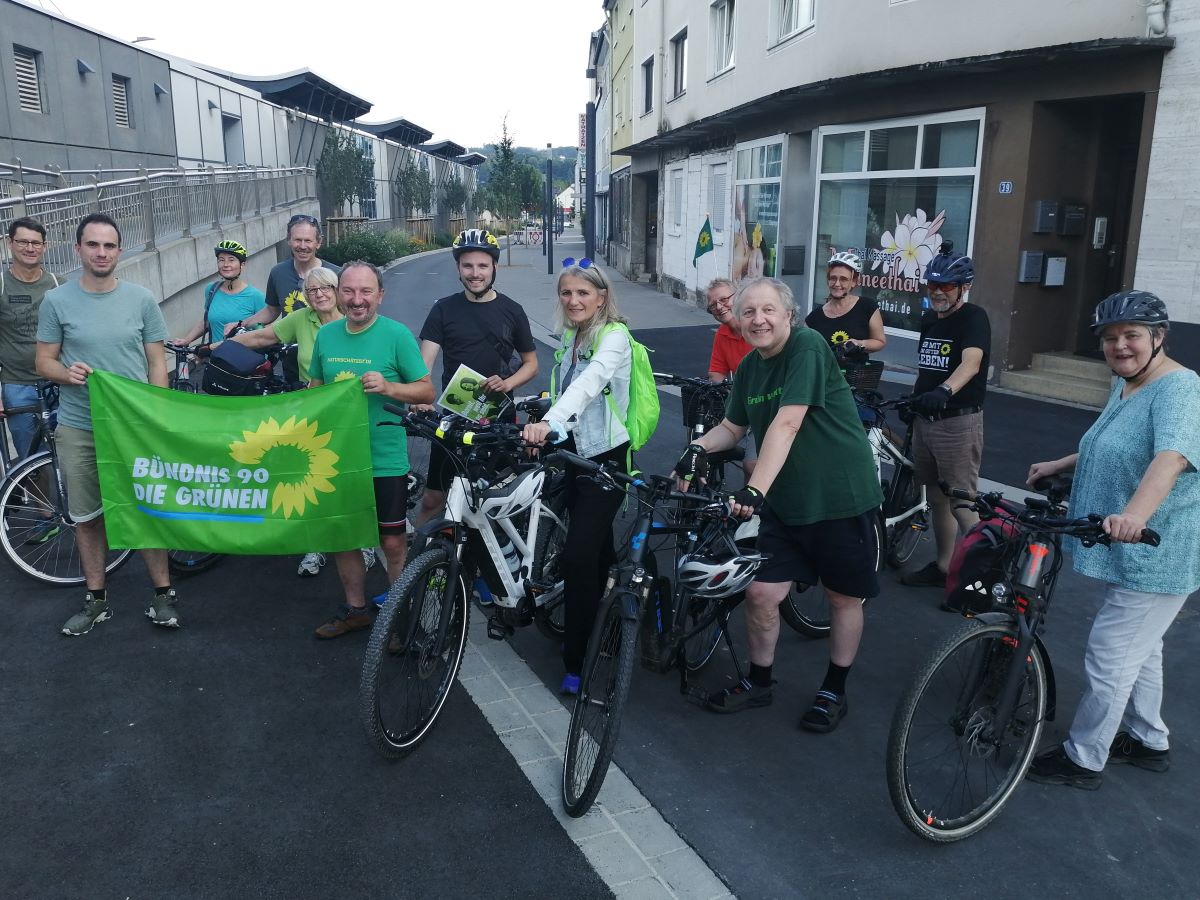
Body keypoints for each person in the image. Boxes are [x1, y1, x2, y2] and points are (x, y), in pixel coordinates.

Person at [673, 277, 882, 732]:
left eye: (768, 310)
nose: (758, 319)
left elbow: (787, 422)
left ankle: (834, 689)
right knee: (761, 593)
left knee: (843, 596)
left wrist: (754, 490)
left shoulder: (806, 347)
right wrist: (697, 450)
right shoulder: (750, 367)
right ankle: (760, 681)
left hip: (839, 495)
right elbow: (733, 426)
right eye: (748, 312)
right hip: (786, 499)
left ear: (789, 314)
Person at [1024, 291, 1200, 790]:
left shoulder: (1180, 389)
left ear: (1158, 338)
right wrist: (1062, 463)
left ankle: (1084, 757)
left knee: (1110, 653)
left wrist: (1133, 516)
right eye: (1110, 339)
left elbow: (1172, 457)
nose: (1120, 346)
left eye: (1131, 336)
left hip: (1156, 549)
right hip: (1128, 550)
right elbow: (1108, 438)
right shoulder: (1128, 384)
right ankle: (1148, 740)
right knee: (1142, 650)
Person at [35, 213, 178, 635]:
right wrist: (66, 373)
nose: (101, 252)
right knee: (86, 517)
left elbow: (157, 362)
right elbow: (43, 360)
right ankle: (96, 599)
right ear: (78, 249)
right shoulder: (57, 301)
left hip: (133, 426)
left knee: (146, 509)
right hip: (79, 426)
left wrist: (158, 415)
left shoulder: (141, 299)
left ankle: (164, 595)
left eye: (109, 245)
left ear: (120, 250)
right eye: (93, 245)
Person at [306, 261, 434, 639]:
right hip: (336, 458)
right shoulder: (327, 336)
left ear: (381, 295)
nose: (356, 300)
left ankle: (398, 617)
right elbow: (315, 389)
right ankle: (356, 610)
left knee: (392, 542)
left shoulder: (396, 335)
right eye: (349, 291)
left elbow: (426, 391)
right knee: (344, 538)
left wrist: (390, 387)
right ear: (338, 293)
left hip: (383, 458)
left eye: (365, 292)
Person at [522, 261, 632, 696]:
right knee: (595, 546)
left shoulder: (614, 337)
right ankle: (609, 617)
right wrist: (531, 409)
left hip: (605, 458)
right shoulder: (571, 337)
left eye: (583, 293)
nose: (573, 301)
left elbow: (590, 383)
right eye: (567, 293)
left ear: (601, 297)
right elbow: (565, 387)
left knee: (578, 557)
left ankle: (578, 656)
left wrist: (548, 420)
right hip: (570, 452)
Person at [229, 266, 374, 578]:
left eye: (325, 289)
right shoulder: (301, 319)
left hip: (352, 412)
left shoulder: (353, 322)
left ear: (337, 292)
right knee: (312, 477)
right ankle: (317, 543)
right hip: (315, 408)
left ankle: (364, 541)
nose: (319, 294)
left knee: (350, 478)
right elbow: (261, 337)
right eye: (312, 290)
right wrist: (215, 348)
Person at [415, 229, 538, 528]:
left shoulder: (512, 311)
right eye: (467, 265)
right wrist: (421, 399)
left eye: (482, 266)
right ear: (458, 268)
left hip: (500, 422)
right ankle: (416, 564)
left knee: (499, 501)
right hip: (455, 420)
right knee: (434, 498)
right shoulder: (443, 309)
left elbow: (531, 363)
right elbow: (424, 365)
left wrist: (508, 383)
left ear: (494, 267)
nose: (475, 273)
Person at [899, 242, 990, 590]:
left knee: (962, 501)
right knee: (937, 497)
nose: (937, 292)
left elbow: (972, 362)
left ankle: (981, 582)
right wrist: (916, 400)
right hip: (927, 420)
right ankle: (943, 566)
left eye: (945, 286)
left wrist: (945, 392)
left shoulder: (973, 317)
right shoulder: (929, 319)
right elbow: (928, 369)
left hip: (957, 421)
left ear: (963, 287)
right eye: (932, 284)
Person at [1, 217, 59, 461]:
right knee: (30, 460)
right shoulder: (2, 285)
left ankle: (64, 501)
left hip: (57, 384)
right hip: (17, 386)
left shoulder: (58, 284)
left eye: (36, 243)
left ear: (44, 246)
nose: (30, 248)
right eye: (23, 241)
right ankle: (40, 501)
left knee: (65, 455)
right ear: (9, 243)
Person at [705, 277, 756, 479]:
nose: (719, 306)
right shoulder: (722, 334)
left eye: (724, 299)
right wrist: (724, 389)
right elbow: (716, 371)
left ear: (738, 297)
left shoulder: (756, 327)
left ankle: (752, 507)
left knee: (752, 466)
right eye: (713, 305)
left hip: (766, 405)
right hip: (742, 402)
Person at [172, 240, 265, 351]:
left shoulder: (255, 296)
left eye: (231, 260)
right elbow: (207, 321)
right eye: (221, 260)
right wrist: (187, 340)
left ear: (242, 265)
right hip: (216, 361)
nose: (226, 264)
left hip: (244, 363)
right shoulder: (212, 290)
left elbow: (265, 333)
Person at [804, 251, 886, 355]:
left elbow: (880, 341)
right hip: (824, 370)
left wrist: (860, 343)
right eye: (833, 278)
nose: (837, 284)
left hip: (856, 370)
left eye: (844, 279)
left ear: (854, 281)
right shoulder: (814, 318)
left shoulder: (867, 307)